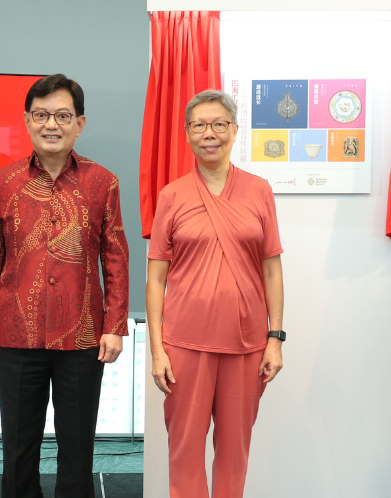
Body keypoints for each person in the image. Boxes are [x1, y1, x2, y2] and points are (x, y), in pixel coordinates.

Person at [0, 74, 130, 498]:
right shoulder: (2, 182)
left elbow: (114, 256)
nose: (51, 124)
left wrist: (114, 324)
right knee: (18, 447)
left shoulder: (103, 182)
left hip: (82, 337)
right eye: (41, 115)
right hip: (16, 335)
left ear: (79, 123)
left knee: (76, 446)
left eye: (62, 115)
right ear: (27, 120)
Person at [147, 89, 285, 498]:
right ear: (187, 133)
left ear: (235, 131)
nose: (210, 133)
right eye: (199, 125)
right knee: (184, 453)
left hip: (245, 345)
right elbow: (156, 280)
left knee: (234, 453)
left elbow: (272, 270)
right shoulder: (172, 196)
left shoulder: (258, 190)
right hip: (184, 344)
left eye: (219, 124)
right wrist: (157, 350)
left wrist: (275, 339)